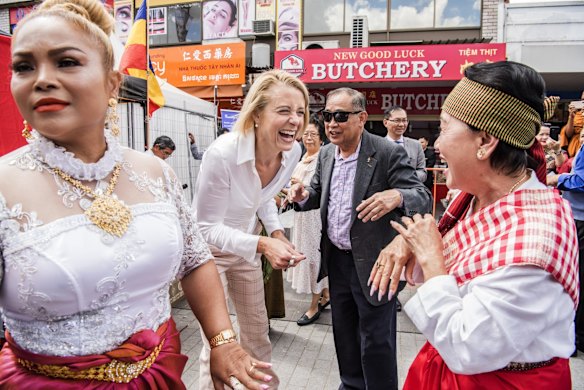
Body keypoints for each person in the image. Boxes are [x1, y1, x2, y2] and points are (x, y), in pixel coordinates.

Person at [0, 1, 271, 389]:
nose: (42, 79)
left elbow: (195, 261)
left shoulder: (154, 172)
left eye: (66, 62)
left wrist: (223, 342)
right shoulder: (4, 187)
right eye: (24, 66)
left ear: (112, 82)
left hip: (158, 375)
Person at [370, 61, 579, 389]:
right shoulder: (473, 195)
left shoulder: (535, 237)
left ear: (485, 141)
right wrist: (412, 241)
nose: (436, 145)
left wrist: (431, 257)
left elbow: (467, 346)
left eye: (444, 127)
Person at [288, 88, 431, 389]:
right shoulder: (327, 153)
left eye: (340, 116)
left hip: (376, 263)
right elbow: (317, 195)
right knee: (344, 331)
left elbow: (422, 197)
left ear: (362, 118)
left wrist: (397, 195)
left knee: (376, 339)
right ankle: (352, 383)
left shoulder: (386, 152)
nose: (332, 123)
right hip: (338, 260)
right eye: (327, 116)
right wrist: (303, 197)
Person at [194, 69, 309, 389]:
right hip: (207, 256)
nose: (295, 120)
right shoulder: (223, 153)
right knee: (216, 345)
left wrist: (277, 234)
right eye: (284, 110)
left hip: (245, 248)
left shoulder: (292, 152)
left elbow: (264, 197)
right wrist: (262, 244)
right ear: (257, 114)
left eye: (300, 112)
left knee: (258, 336)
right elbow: (203, 228)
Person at [285, 114, 330, 326]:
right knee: (307, 254)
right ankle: (326, 295)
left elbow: (320, 189)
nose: (308, 138)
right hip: (301, 217)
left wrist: (299, 184)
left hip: (315, 217)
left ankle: (314, 306)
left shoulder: (324, 159)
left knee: (314, 259)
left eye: (313, 134)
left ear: (322, 138)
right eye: (306, 134)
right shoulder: (301, 158)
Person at [383, 106, 427, 183]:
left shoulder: (416, 145)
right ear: (386, 122)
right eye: (397, 120)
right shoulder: (377, 145)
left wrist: (407, 176)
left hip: (409, 192)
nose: (401, 124)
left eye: (404, 120)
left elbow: (422, 172)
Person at [560, 92, 584, 157]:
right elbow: (568, 134)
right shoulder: (577, 114)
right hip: (575, 149)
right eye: (582, 100)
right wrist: (571, 117)